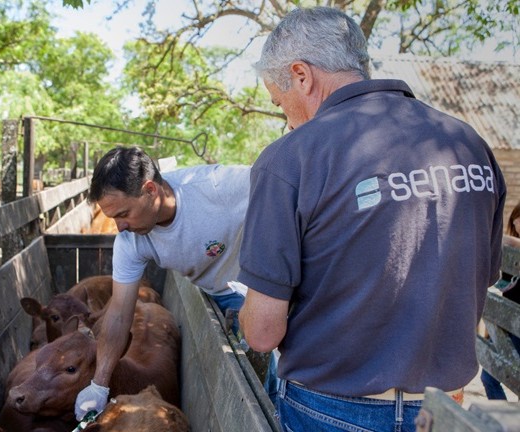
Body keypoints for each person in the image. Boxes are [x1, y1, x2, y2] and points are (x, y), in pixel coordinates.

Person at [236, 6, 506, 432]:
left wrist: (245, 316)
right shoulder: (468, 143)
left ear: (302, 75)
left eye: (279, 102)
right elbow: (482, 276)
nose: (286, 121)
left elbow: (263, 333)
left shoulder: (289, 159)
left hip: (330, 409)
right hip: (445, 409)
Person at [74, 145, 251, 420]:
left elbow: (284, 186)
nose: (119, 227)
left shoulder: (220, 186)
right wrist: (99, 383)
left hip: (263, 284)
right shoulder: (130, 241)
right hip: (219, 293)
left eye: (123, 214)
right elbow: (119, 313)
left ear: (150, 190)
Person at [480, 201, 520, 400]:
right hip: (507, 325)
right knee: (488, 377)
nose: (519, 222)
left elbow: (512, 242)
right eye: (517, 218)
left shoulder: (511, 244)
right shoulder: (507, 250)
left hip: (516, 325)